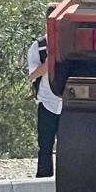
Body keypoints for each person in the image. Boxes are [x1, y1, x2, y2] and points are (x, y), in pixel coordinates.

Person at [24, 33, 61, 178]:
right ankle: (44, 177)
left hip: (68, 103)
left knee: (69, 146)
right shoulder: (38, 47)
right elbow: (32, 74)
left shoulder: (70, 43)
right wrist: (49, 63)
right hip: (47, 101)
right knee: (45, 144)